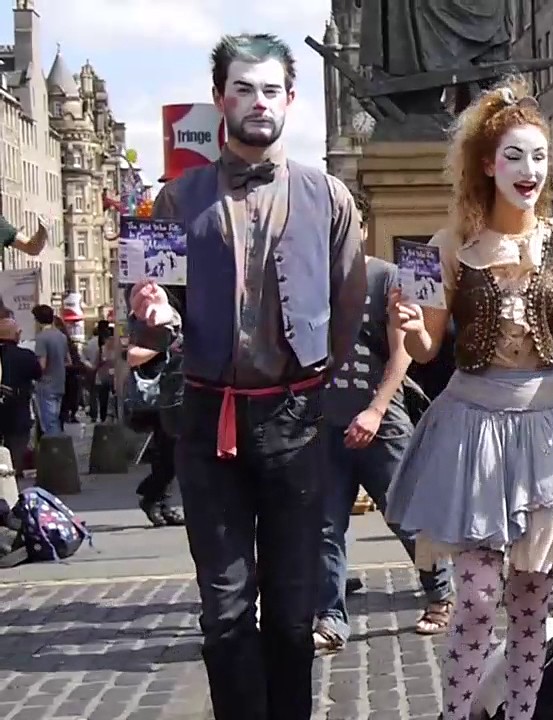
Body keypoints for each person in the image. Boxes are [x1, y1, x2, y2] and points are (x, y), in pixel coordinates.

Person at [139, 33, 366, 720]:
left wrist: (325, 393)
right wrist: (150, 310)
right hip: (208, 423)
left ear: (290, 100)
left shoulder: (329, 197)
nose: (258, 102)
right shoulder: (176, 201)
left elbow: (349, 311)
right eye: (243, 88)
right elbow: (148, 306)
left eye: (270, 89)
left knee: (296, 614)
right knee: (226, 611)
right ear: (220, 100)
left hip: (296, 422)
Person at [383, 76, 553, 720]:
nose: (528, 170)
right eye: (514, 155)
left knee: (533, 595)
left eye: (538, 156)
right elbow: (427, 349)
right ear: (487, 163)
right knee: (479, 596)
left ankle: (520, 711)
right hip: (472, 430)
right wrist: (410, 326)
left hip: (543, 428)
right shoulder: (443, 246)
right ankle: (460, 713)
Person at [314, 238, 455, 653]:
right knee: (324, 527)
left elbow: (403, 355)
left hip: (382, 422)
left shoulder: (385, 277)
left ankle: (440, 594)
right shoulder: (308, 282)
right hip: (326, 423)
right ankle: (330, 618)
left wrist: (375, 411)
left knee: (406, 516)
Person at [126, 284, 185, 528]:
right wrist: (164, 346)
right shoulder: (144, 317)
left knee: (171, 451)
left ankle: (160, 499)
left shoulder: (173, 312)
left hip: (175, 386)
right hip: (158, 391)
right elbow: (132, 355)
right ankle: (153, 496)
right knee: (170, 450)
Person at [0, 319, 40, 478]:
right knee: (16, 450)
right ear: (16, 335)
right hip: (17, 411)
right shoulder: (25, 356)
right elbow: (38, 374)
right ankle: (11, 485)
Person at [31, 304, 68, 438]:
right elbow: (67, 360)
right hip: (60, 383)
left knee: (49, 423)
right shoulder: (61, 336)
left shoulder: (42, 338)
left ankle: (55, 453)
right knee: (55, 418)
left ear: (37, 320)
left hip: (46, 384)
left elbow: (42, 365)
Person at [84, 320, 116, 422]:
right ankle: (110, 417)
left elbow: (94, 365)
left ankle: (103, 418)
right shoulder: (116, 349)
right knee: (111, 399)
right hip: (112, 378)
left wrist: (85, 362)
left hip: (104, 378)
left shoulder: (102, 349)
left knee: (104, 400)